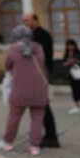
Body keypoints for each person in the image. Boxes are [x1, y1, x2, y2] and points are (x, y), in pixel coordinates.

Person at [0, 25, 48, 156]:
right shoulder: (38, 48)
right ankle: (34, 146)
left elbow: (7, 65)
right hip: (39, 89)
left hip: (19, 89)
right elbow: (42, 64)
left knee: (14, 117)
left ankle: (8, 143)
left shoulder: (14, 49)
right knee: (37, 119)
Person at [22, 13, 60, 148]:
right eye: (24, 21)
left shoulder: (41, 35)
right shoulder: (35, 35)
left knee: (42, 105)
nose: (25, 23)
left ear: (35, 20)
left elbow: (37, 56)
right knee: (39, 105)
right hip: (38, 72)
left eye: (27, 20)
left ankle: (51, 136)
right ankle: (47, 134)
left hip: (40, 73)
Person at [62, 39, 80, 116]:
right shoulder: (66, 54)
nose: (70, 47)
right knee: (74, 91)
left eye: (71, 45)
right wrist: (67, 63)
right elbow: (63, 63)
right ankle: (77, 106)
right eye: (68, 46)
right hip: (71, 75)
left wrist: (76, 61)